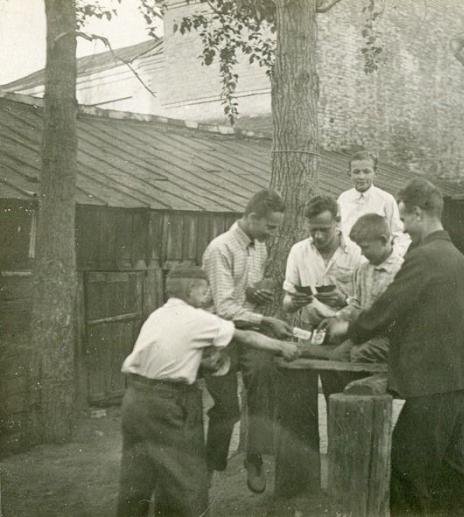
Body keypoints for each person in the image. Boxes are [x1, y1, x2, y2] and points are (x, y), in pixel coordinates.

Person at [326, 178, 464, 516]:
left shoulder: (425, 257)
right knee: (452, 475)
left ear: (420, 213)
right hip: (455, 378)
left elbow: (390, 305)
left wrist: (349, 328)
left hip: (432, 382)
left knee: (407, 471)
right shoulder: (455, 256)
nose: (404, 229)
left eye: (406, 219)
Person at [117, 266, 299, 517]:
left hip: (135, 398)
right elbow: (244, 336)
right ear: (192, 290)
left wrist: (200, 362)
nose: (209, 298)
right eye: (205, 292)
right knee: (186, 480)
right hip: (169, 402)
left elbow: (167, 354)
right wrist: (282, 347)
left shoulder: (157, 316)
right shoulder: (198, 318)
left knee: (138, 477)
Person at [202, 189, 292, 493]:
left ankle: (254, 457)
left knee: (264, 373)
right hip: (219, 334)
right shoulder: (220, 248)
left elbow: (243, 293)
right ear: (252, 217)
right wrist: (267, 320)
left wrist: (254, 292)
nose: (273, 233)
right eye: (270, 226)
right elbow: (225, 307)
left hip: (247, 332)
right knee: (226, 406)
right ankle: (211, 465)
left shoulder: (259, 247)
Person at [319, 213, 403, 397]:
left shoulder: (400, 272)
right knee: (336, 358)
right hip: (363, 334)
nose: (362, 253)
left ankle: (369, 395)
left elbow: (393, 317)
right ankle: (345, 407)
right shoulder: (363, 270)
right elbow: (356, 303)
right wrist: (336, 317)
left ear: (383, 240)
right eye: (359, 248)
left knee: (360, 353)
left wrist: (351, 328)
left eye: (365, 247)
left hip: (390, 337)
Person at [282, 195, 364, 330]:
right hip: (310, 329)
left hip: (346, 328)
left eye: (324, 230)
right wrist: (294, 302)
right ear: (307, 224)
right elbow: (287, 303)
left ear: (337, 222)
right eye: (313, 230)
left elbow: (368, 304)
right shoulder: (298, 251)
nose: (318, 236)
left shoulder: (357, 252)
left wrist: (343, 301)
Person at [337, 149, 410, 256]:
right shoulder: (343, 198)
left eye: (366, 171)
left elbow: (401, 235)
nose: (361, 177)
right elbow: (338, 231)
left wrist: (392, 258)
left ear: (375, 173)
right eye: (356, 172)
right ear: (349, 173)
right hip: (346, 260)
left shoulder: (386, 200)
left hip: (375, 261)